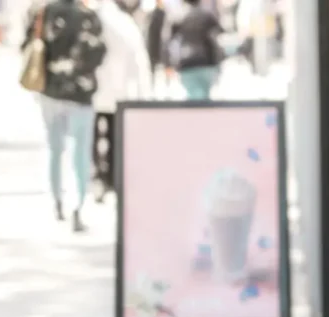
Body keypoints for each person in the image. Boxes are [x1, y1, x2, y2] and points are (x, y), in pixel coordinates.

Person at [22, 0, 108, 232]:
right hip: (81, 93)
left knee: (55, 149)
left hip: (50, 90)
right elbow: (100, 53)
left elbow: (28, 45)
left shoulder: (44, 12)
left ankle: (57, 200)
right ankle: (77, 205)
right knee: (80, 153)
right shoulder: (89, 16)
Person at [93, 0, 153, 201]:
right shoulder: (123, 21)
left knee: (96, 136)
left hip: (97, 89)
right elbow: (139, 60)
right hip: (116, 90)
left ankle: (100, 177)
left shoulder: (97, 15)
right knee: (112, 136)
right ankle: (109, 178)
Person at [166, 0, 222, 100]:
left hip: (187, 64)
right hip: (206, 63)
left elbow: (169, 43)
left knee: (193, 99)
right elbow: (218, 35)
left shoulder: (179, 17)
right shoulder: (206, 15)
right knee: (204, 98)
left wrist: (168, 64)